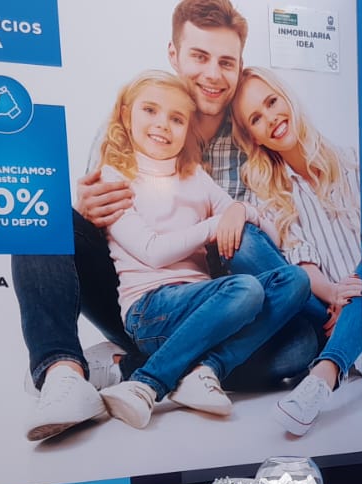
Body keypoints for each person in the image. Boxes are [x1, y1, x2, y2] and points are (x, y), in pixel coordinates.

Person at [14, 0, 315, 441]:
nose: (212, 74)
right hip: (143, 298)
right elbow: (128, 241)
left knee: (299, 346)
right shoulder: (130, 128)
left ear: (239, 66)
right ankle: (64, 375)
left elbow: (267, 237)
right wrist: (87, 212)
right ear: (174, 54)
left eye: (226, 62)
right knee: (47, 221)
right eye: (199, 56)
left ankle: (137, 367)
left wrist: (238, 212)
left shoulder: (250, 133)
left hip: (217, 304)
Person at [90, 70, 295, 428]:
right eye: (150, 110)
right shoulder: (115, 177)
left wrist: (240, 209)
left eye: (176, 118)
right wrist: (216, 224)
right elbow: (152, 251)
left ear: (188, 129)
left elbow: (270, 234)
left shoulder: (195, 177)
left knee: (294, 283)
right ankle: (147, 383)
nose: (162, 124)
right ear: (126, 115)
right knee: (247, 289)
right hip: (150, 310)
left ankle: (202, 371)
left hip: (205, 308)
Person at [228, 66, 362, 436]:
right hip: (322, 306)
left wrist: (352, 292)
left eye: (272, 102)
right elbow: (301, 260)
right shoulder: (268, 193)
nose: (271, 118)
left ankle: (322, 378)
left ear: (287, 97)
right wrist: (335, 294)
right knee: (246, 243)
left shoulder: (354, 162)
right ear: (253, 137)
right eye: (256, 118)